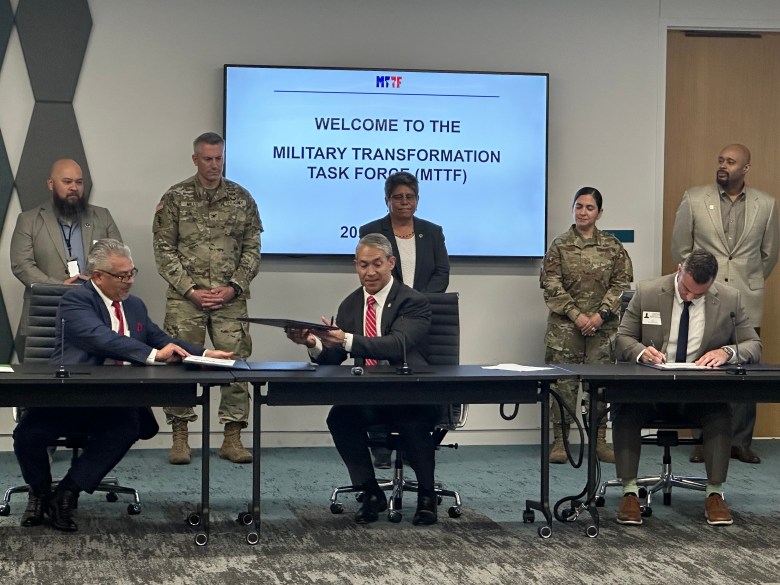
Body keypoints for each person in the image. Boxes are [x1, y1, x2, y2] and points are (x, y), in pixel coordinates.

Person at [13, 239, 233, 532]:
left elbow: (159, 338)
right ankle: (40, 494)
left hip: (116, 400)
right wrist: (153, 355)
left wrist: (203, 354)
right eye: (122, 275)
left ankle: (67, 493)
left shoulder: (135, 306)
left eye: (132, 273)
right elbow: (100, 337)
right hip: (72, 397)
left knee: (127, 425)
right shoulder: (75, 301)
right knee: (27, 434)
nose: (129, 281)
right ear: (97, 276)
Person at [285, 233, 440, 525]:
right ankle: (369, 492)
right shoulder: (350, 305)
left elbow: (397, 345)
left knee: (412, 420)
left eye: (377, 264)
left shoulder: (413, 301)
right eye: (363, 265)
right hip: (370, 393)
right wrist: (314, 344)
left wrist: (344, 339)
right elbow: (334, 358)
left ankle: (427, 497)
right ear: (355, 266)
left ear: (391, 263)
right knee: (340, 418)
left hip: (412, 392)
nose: (369, 272)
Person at [613, 249, 761, 526]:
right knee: (626, 407)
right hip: (651, 389)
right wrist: (641, 351)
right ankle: (630, 491)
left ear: (712, 283)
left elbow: (753, 344)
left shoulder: (729, 298)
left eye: (699, 294)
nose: (690, 296)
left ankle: (715, 493)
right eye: (686, 289)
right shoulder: (647, 292)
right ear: (679, 269)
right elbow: (622, 338)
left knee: (719, 413)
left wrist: (727, 352)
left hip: (697, 391)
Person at [153, 132, 262, 465]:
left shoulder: (242, 198)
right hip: (186, 299)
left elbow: (252, 248)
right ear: (195, 159)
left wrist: (233, 287)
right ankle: (180, 436)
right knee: (180, 364)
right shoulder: (175, 198)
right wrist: (191, 290)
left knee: (235, 364)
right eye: (208, 159)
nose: (214, 165)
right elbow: (163, 249)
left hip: (230, 298)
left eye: (219, 158)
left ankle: (232, 437)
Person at [671, 144, 779, 465]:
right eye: (720, 160)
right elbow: (681, 248)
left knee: (747, 370)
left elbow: (768, 255)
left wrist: (748, 280)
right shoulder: (694, 199)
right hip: (706, 294)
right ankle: (702, 441)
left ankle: (741, 442)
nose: (723, 166)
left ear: (745, 168)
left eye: (730, 162)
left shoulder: (767, 204)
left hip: (747, 296)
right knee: (705, 366)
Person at [359, 171, 450, 468]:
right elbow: (373, 273)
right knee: (379, 375)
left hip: (421, 316)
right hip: (382, 314)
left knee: (416, 379)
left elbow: (442, 272)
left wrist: (416, 302)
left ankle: (413, 443)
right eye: (397, 197)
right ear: (387, 200)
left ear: (417, 200)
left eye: (409, 197)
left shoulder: (432, 231)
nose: (404, 202)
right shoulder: (372, 230)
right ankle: (381, 443)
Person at [540, 187, 633, 464]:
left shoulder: (613, 246)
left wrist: (600, 315)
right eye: (578, 206)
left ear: (599, 213)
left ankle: (599, 442)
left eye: (589, 208)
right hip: (566, 329)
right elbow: (551, 284)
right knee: (562, 386)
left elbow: (621, 284)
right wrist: (576, 315)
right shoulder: (560, 245)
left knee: (600, 386)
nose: (583, 212)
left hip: (602, 330)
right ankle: (560, 442)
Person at [10, 158, 122, 355]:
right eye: (67, 182)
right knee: (42, 379)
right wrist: (58, 287)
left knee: (93, 380)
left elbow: (118, 259)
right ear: (51, 184)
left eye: (79, 182)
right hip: (45, 314)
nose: (74, 188)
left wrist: (95, 282)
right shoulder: (28, 220)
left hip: (94, 309)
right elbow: (21, 265)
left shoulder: (102, 217)